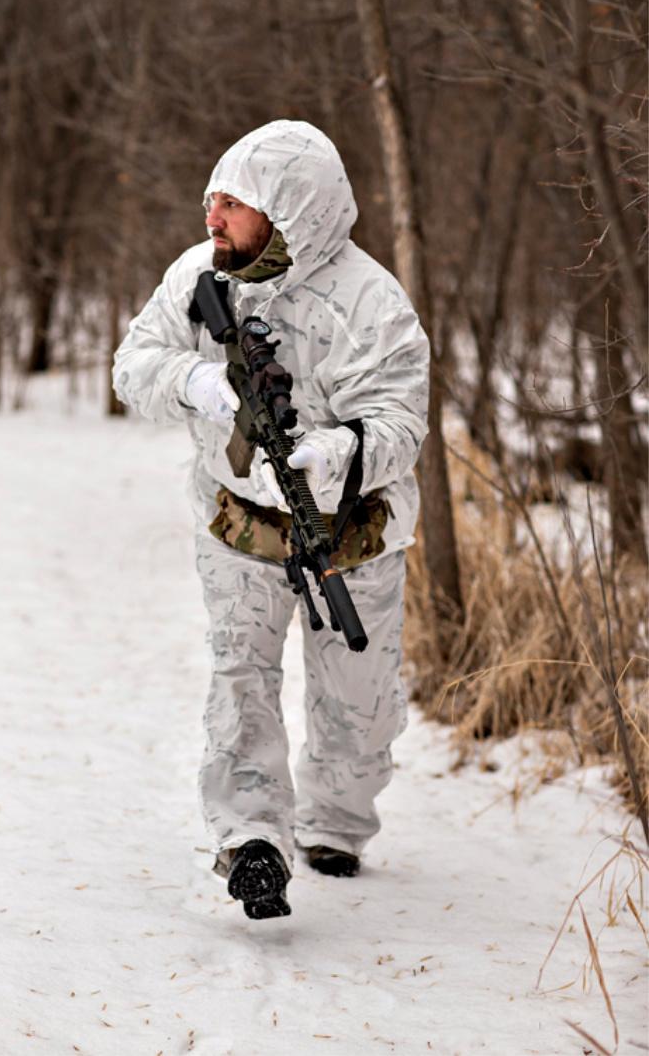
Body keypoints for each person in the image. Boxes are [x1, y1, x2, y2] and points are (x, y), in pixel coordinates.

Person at [113, 120, 429, 920]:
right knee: (240, 680)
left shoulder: (372, 303)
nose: (210, 217)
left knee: (357, 702)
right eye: (210, 199)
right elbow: (133, 365)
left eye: (232, 204)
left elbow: (401, 422)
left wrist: (335, 455)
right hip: (239, 527)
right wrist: (196, 382)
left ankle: (337, 823)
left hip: (350, 535)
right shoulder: (198, 276)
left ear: (291, 213)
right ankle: (251, 839)